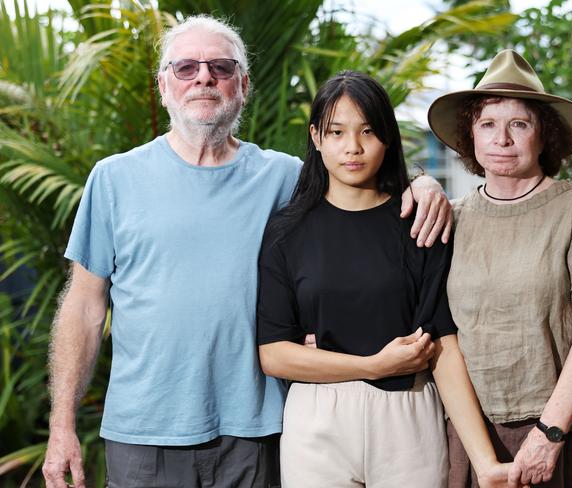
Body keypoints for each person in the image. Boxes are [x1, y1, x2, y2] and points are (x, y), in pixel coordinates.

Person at [41, 15, 452, 488]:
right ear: (163, 85)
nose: (203, 77)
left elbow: (361, 190)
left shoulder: (285, 178)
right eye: (186, 68)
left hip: (258, 432)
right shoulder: (114, 178)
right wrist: (61, 427)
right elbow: (84, 309)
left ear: (243, 83)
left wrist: (422, 183)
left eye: (220, 66)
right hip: (145, 434)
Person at [256, 71, 514, 488]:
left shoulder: (419, 223)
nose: (352, 147)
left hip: (408, 415)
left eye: (368, 131)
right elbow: (274, 354)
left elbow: (443, 345)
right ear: (316, 138)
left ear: (388, 139)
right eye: (336, 132)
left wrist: (486, 464)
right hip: (316, 418)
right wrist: (372, 366)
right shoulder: (286, 232)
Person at [427, 49, 572, 488]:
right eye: (487, 124)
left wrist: (548, 435)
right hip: (477, 436)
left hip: (570, 432)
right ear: (470, 136)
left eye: (518, 124)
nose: (502, 139)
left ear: (545, 136)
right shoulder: (452, 218)